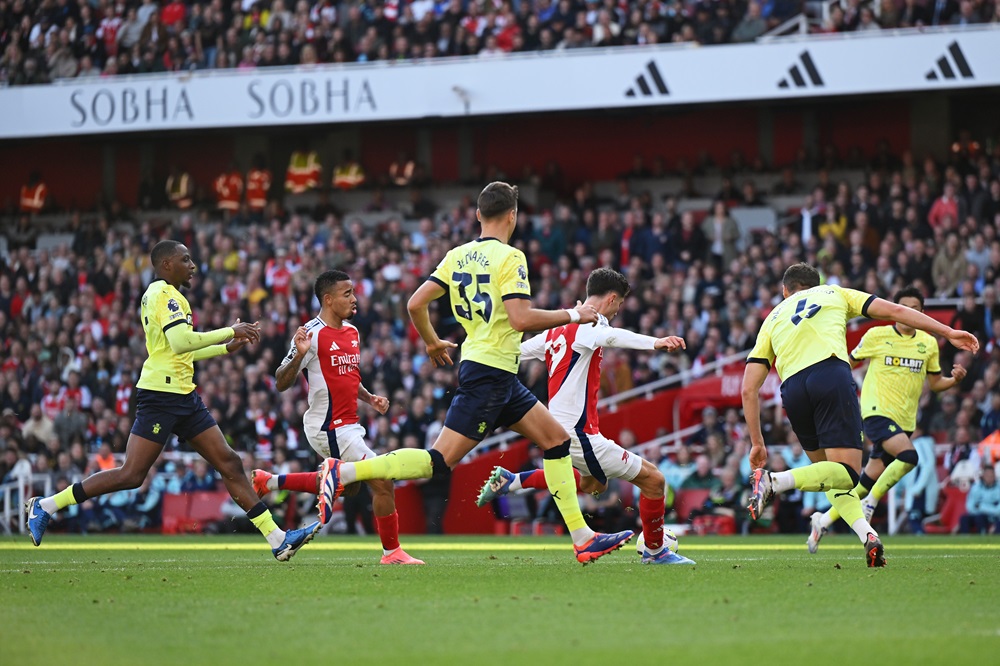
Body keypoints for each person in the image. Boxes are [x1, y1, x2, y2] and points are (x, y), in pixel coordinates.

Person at [318, 181, 634, 564]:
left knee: (555, 440)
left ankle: (583, 539)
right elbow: (519, 320)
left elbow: (416, 303)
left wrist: (432, 342)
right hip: (490, 373)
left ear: (478, 215)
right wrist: (574, 314)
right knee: (438, 462)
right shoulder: (511, 257)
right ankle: (346, 472)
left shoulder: (457, 255)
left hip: (495, 372)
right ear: (513, 216)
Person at [25, 240, 319, 561]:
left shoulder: (168, 295)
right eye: (186, 259)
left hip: (183, 394)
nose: (193, 265)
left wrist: (225, 346)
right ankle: (47, 505)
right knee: (132, 475)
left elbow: (180, 348)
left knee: (230, 462)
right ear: (167, 265)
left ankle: (277, 538)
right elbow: (180, 343)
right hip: (161, 397)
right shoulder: (164, 294)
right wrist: (228, 331)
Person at [743, 263, 977, 567]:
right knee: (849, 472)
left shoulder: (772, 318)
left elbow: (749, 390)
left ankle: (867, 534)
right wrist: (947, 331)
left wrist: (757, 442)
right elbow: (895, 311)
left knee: (832, 477)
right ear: (816, 284)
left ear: (785, 291)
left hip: (793, 390)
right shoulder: (834, 292)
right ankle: (775, 481)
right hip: (829, 374)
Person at [474, 267, 694, 564]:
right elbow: (613, 337)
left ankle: (513, 481)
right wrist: (654, 342)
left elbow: (519, 351)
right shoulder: (591, 323)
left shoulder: (556, 329)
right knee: (654, 480)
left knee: (594, 484)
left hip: (559, 430)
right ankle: (655, 551)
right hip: (578, 434)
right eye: (619, 304)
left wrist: (480, 352)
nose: (617, 311)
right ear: (612, 299)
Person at [251, 269, 423, 565]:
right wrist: (297, 356)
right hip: (327, 426)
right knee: (382, 479)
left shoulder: (353, 333)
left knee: (351, 485)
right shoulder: (310, 334)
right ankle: (391, 552)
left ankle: (271, 482)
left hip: (348, 425)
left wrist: (369, 398)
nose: (355, 299)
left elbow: (347, 376)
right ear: (328, 300)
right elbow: (280, 381)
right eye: (347, 294)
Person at [807, 286, 967, 553]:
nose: (909, 314)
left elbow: (936, 382)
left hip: (904, 421)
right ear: (895, 312)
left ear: (922, 313)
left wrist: (954, 381)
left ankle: (822, 521)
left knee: (859, 487)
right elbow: (850, 361)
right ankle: (872, 503)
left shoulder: (927, 343)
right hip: (875, 411)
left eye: (915, 310)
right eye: (904, 309)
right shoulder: (877, 335)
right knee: (910, 457)